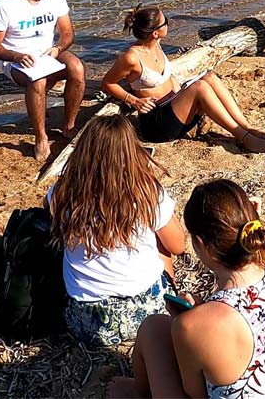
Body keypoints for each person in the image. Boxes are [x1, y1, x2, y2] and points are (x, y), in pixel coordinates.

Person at [112, 179, 265, 399]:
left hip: (204, 334)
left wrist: (192, 321)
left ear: (201, 244)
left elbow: (196, 393)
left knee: (153, 329)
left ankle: (136, 393)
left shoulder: (191, 326)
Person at [47, 115, 188, 347]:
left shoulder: (62, 192)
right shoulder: (146, 192)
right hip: (147, 315)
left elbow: (50, 208)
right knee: (161, 240)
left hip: (87, 321)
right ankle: (170, 301)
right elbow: (178, 246)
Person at [101, 5, 265, 154]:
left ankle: (247, 127)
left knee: (209, 76)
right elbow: (107, 83)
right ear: (155, 33)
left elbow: (168, 78)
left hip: (174, 110)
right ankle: (243, 137)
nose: (168, 24)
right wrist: (134, 100)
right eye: (165, 22)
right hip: (157, 125)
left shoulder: (157, 44)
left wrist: (182, 95)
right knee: (200, 86)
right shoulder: (131, 57)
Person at [0, 0, 86, 162]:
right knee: (37, 80)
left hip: (47, 52)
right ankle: (41, 137)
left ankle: (69, 126)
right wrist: (18, 56)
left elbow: (67, 33)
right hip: (15, 60)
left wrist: (58, 49)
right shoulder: (5, 6)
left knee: (77, 67)